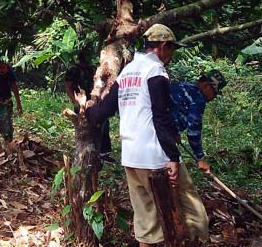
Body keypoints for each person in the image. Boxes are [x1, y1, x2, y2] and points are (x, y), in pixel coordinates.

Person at [87, 23, 207, 246]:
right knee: (187, 208)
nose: (171, 56)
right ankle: (198, 241)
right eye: (171, 50)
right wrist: (172, 157)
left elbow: (105, 111)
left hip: (131, 157)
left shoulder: (128, 71)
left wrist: (88, 109)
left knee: (146, 220)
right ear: (162, 47)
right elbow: (159, 117)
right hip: (155, 158)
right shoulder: (156, 71)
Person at [169, 69, 227, 176]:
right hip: (161, 140)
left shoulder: (180, 86)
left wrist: (174, 132)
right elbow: (193, 130)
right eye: (214, 93)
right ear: (206, 85)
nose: (213, 97)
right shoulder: (198, 97)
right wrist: (200, 157)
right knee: (182, 183)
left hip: (151, 132)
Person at [65, 50, 113, 162]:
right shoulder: (74, 70)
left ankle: (103, 152)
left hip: (94, 100)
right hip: (81, 101)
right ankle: (84, 152)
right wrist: (75, 101)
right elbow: (68, 86)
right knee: (84, 128)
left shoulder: (91, 69)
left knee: (103, 124)